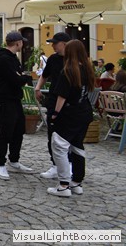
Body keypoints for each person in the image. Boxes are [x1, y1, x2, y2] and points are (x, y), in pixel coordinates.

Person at [47, 40, 95, 197]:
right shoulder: (87, 70)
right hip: (84, 112)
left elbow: (62, 96)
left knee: (59, 146)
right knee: (77, 146)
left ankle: (63, 185)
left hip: (69, 114)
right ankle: (77, 182)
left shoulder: (68, 71)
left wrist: (55, 113)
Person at [0, 31, 34, 180]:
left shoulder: (13, 58)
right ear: (18, 43)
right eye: (22, 42)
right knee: (5, 131)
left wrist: (21, 77)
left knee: (18, 129)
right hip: (5, 99)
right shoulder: (4, 59)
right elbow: (15, 79)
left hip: (15, 98)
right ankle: (0, 164)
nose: (23, 44)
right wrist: (25, 78)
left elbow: (18, 76)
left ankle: (14, 160)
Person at [35, 32, 71, 179]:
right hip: (54, 99)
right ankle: (55, 165)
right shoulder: (53, 59)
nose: (53, 45)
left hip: (70, 102)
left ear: (64, 44)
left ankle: (69, 165)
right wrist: (38, 88)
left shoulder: (74, 59)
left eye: (55, 43)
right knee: (52, 133)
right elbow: (45, 75)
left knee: (68, 134)